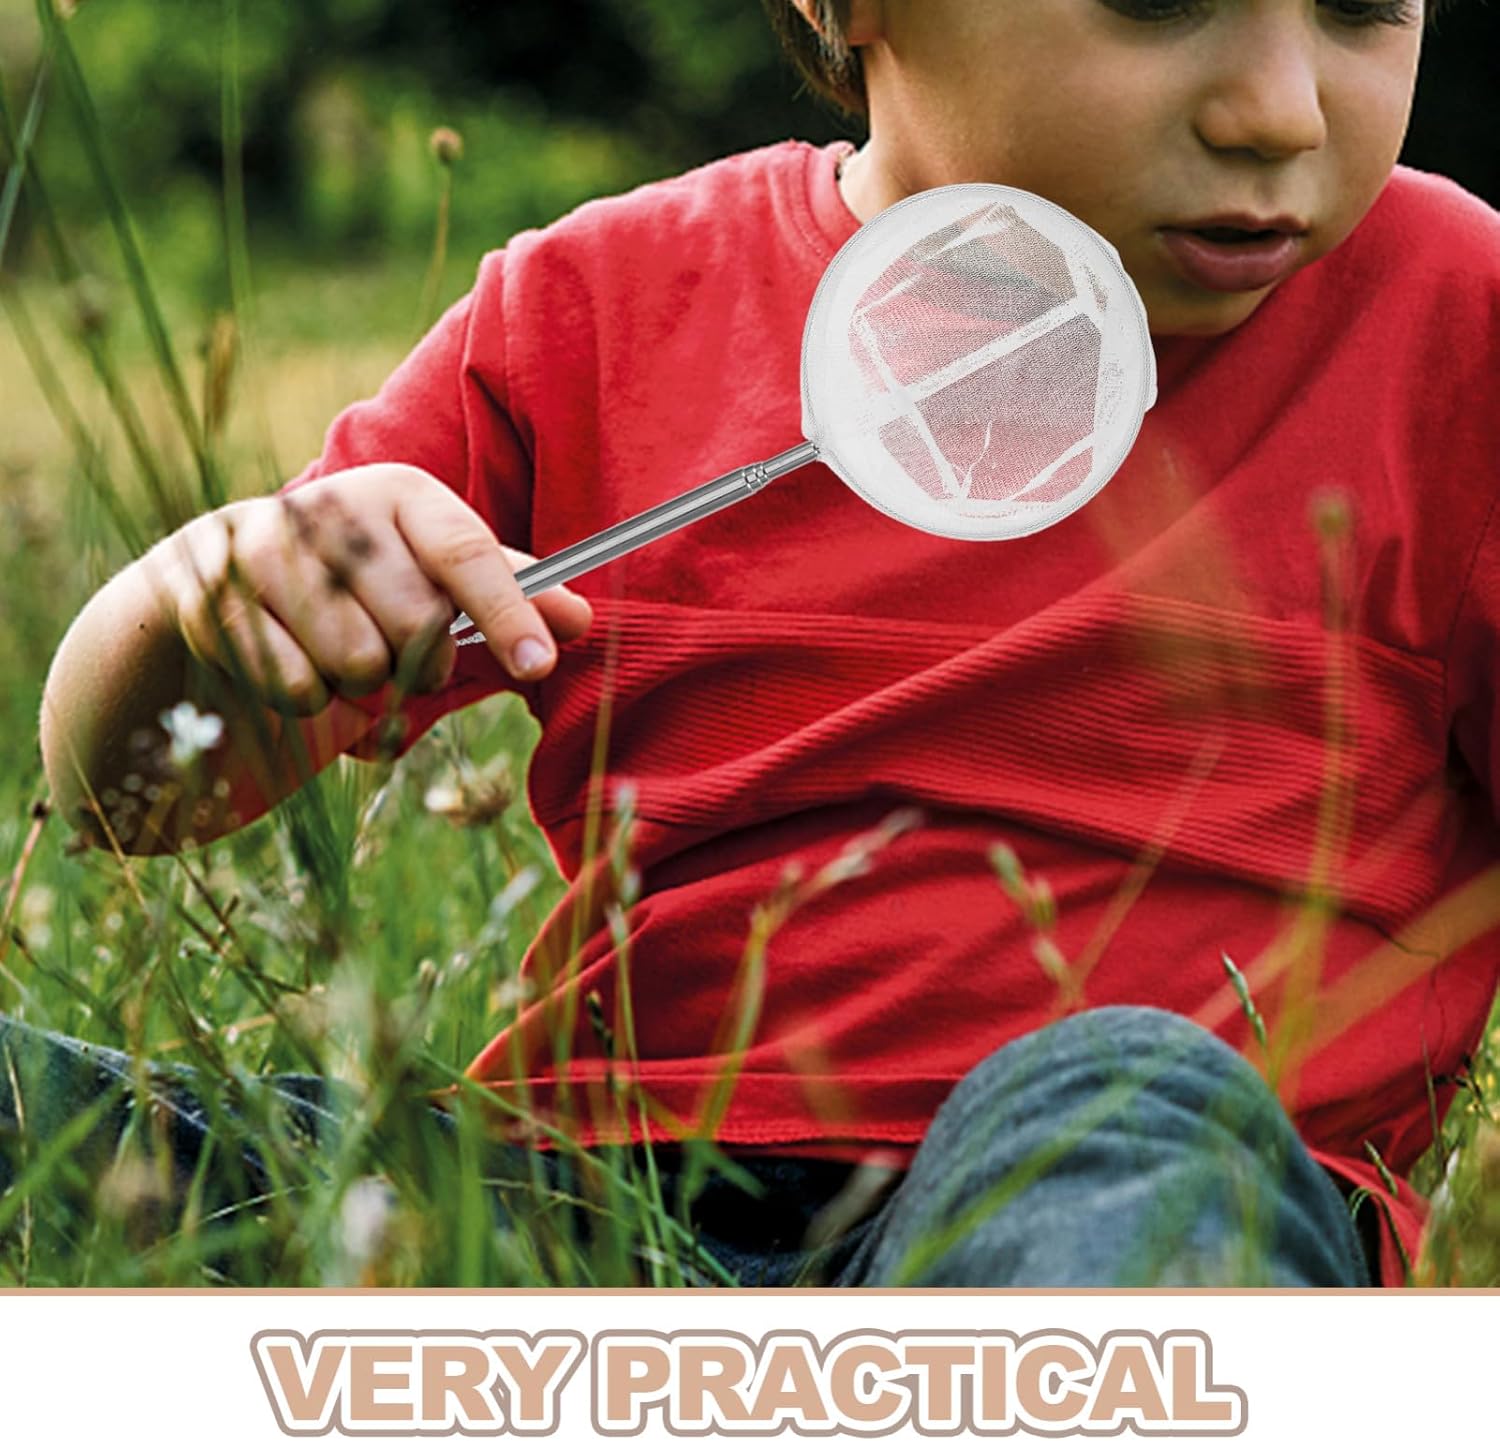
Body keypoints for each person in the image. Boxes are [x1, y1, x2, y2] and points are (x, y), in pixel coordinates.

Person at [30, 0, 1500, 1287]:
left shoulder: (1454, 320)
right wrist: (204, 609)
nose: (1281, 109)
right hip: (576, 1202)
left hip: (1096, 1187)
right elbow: (126, 801)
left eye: (1363, 3)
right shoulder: (596, 304)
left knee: (1125, 1092)